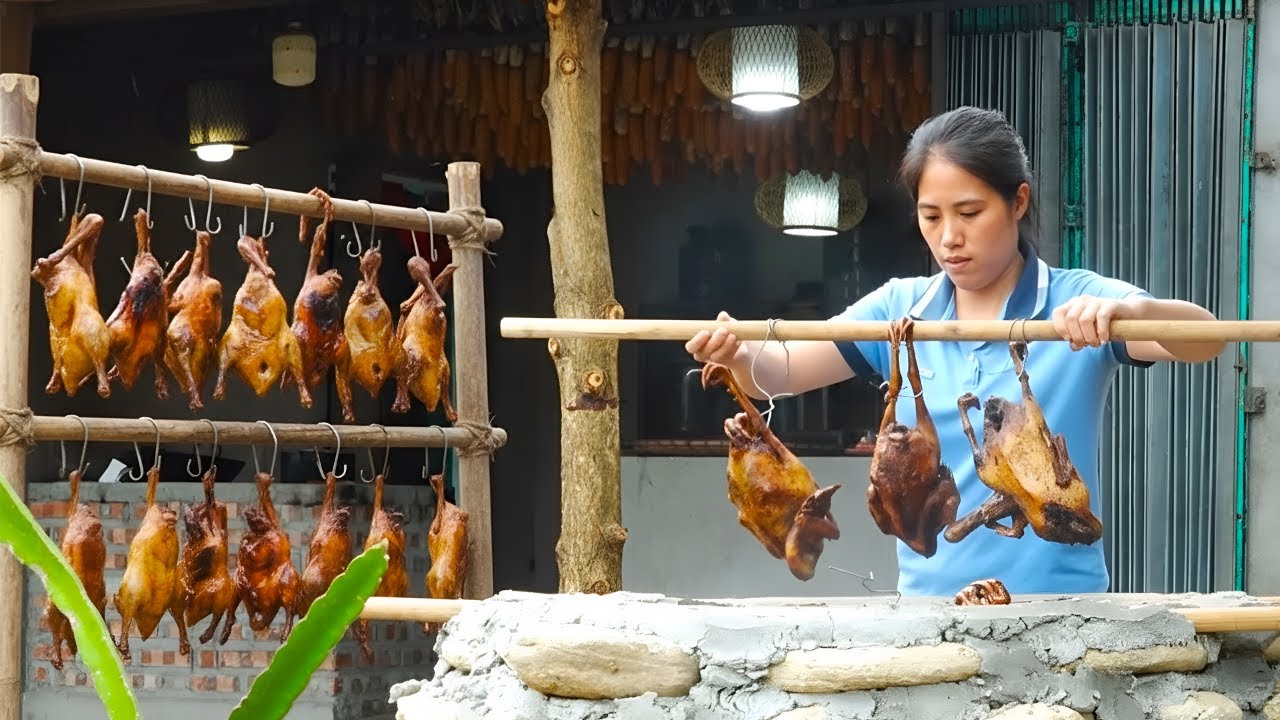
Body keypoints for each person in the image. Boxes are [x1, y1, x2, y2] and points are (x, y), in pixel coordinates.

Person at [684, 106, 1226, 597]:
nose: (948, 238)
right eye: (932, 216)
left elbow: (1207, 339)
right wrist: (735, 353)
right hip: (928, 609)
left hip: (1061, 610)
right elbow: (776, 374)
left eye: (968, 213)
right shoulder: (901, 310)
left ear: (1018, 201)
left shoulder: (1074, 300)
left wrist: (1128, 315)